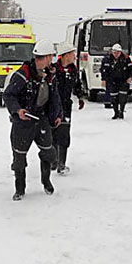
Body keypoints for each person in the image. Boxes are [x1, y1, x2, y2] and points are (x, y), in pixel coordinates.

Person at [3, 39, 62, 200]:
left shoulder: (50, 75)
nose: (41, 61)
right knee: (19, 158)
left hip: (41, 120)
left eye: (45, 58)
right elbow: (8, 95)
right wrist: (18, 110)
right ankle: (20, 189)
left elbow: (54, 98)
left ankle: (46, 181)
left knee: (48, 152)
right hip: (23, 122)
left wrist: (57, 115)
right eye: (38, 58)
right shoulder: (23, 74)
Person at [52, 42, 85, 175]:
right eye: (72, 54)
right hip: (52, 107)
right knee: (53, 133)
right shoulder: (53, 69)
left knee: (64, 134)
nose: (74, 56)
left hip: (66, 106)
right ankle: (53, 161)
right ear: (65, 55)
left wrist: (80, 97)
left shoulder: (73, 69)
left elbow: (77, 85)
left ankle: (61, 164)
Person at [99, 43, 132, 120]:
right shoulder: (107, 59)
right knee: (113, 98)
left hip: (123, 81)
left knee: (123, 97)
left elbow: (131, 69)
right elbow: (103, 70)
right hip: (112, 81)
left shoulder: (126, 58)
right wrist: (104, 79)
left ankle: (121, 111)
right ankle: (116, 113)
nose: (116, 54)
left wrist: (130, 77)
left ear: (120, 52)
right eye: (114, 52)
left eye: (117, 52)